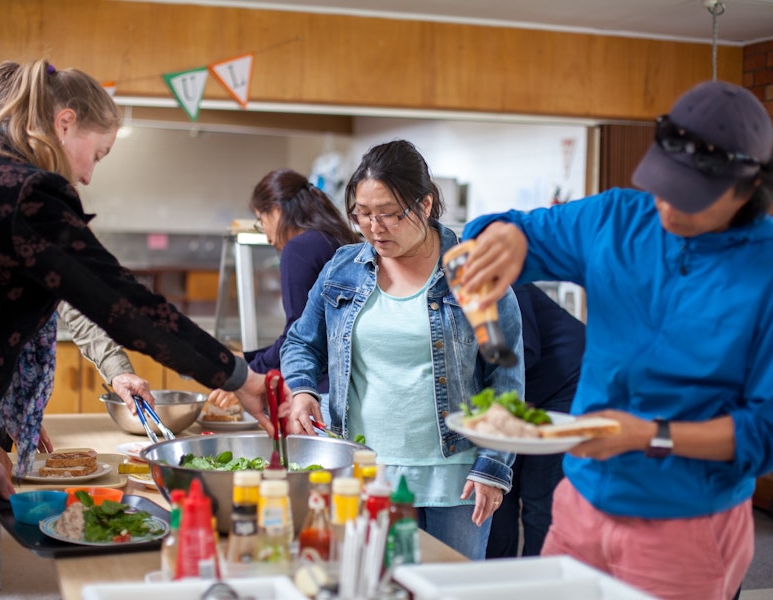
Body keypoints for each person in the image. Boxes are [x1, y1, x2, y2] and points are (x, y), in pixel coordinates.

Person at [460, 80, 773, 599]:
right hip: (580, 504)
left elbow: (764, 432)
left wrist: (650, 434)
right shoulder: (619, 218)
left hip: (685, 525)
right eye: (662, 186)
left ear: (748, 188)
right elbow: (494, 231)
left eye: (690, 198)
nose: (668, 209)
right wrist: (505, 234)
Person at [0, 58, 280, 582]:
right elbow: (124, 304)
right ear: (64, 123)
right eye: (97, 154)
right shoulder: (24, 193)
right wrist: (242, 378)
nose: (89, 174)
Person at [280, 140, 525, 560]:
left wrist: (494, 467)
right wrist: (302, 389)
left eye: (389, 214)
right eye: (362, 214)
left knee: (449, 591)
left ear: (425, 204)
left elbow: (506, 378)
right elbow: (302, 340)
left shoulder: (472, 271)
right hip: (366, 470)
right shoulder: (343, 268)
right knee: (375, 584)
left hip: (458, 473)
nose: (374, 227)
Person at [209, 169, 358, 411]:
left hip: (319, 392)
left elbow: (297, 335)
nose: (266, 234)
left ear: (277, 210)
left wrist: (249, 374)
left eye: (261, 220)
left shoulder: (299, 248)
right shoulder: (333, 238)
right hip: (348, 386)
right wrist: (249, 359)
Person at [486, 283, 585, 558]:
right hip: (526, 391)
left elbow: (520, 354)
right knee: (500, 490)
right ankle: (502, 578)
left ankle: (541, 577)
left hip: (565, 383)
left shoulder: (502, 284)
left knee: (539, 497)